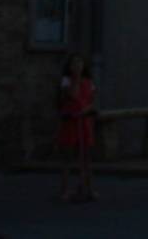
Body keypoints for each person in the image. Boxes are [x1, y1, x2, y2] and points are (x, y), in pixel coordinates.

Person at [54, 53, 99, 204]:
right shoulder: (67, 82)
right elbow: (72, 95)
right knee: (68, 157)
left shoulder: (89, 82)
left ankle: (88, 188)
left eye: (80, 63)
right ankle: (65, 190)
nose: (77, 66)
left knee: (86, 157)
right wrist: (76, 80)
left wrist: (87, 110)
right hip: (71, 121)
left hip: (84, 121)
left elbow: (92, 101)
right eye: (74, 63)